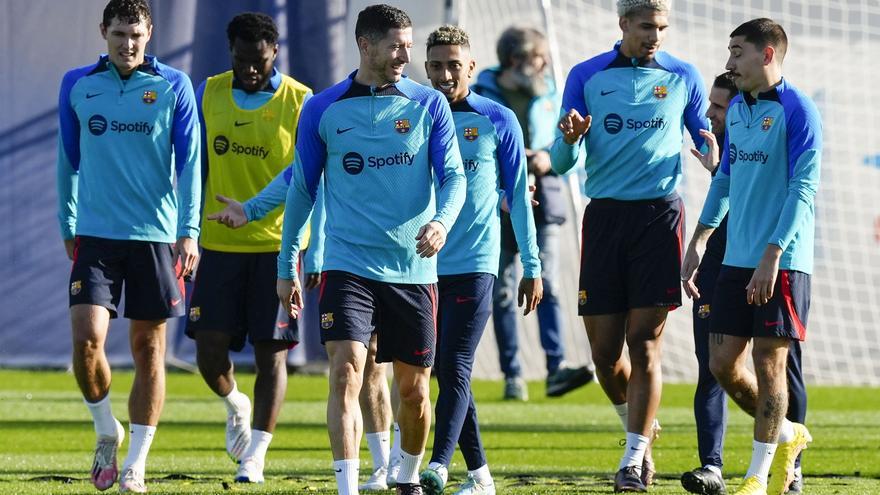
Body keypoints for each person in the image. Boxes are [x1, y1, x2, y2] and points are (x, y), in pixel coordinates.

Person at [274, 5, 466, 495]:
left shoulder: (429, 105)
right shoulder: (322, 108)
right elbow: (301, 190)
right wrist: (287, 263)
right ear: (366, 44)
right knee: (346, 372)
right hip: (347, 265)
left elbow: (454, 178)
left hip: (413, 268)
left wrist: (441, 222)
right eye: (397, 45)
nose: (407, 55)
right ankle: (348, 488)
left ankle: (404, 477)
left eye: (408, 44)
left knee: (414, 390)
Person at [550, 0, 709, 491]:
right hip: (604, 219)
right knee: (604, 355)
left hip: (659, 218)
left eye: (662, 27)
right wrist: (571, 139)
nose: (655, 35)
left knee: (644, 345)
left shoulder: (683, 75)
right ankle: (639, 426)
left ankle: (634, 460)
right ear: (623, 25)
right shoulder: (587, 75)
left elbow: (703, 138)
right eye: (646, 26)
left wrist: (710, 153)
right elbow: (559, 162)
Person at [56, 0, 200, 492]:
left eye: (136, 34)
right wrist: (67, 220)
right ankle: (105, 429)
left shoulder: (173, 85)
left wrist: (190, 230)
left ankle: (136, 462)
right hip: (95, 235)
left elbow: (191, 163)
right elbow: (67, 158)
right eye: (119, 34)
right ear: (104, 32)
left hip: (155, 239)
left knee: (148, 349)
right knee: (87, 341)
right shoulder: (78, 84)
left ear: (150, 32)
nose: (128, 43)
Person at [681, 18, 820, 495]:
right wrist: (700, 238)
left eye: (737, 52)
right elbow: (725, 180)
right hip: (737, 257)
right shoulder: (739, 108)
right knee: (721, 363)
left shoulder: (798, 109)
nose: (728, 63)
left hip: (781, 259)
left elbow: (803, 188)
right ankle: (786, 434)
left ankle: (757, 479)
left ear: (767, 55)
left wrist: (773, 253)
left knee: (769, 362)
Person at [184, 12, 312, 484]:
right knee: (208, 351)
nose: (250, 70)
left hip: (277, 248)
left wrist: (305, 249)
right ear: (230, 52)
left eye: (258, 61)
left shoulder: (300, 100)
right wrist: (189, 231)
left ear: (274, 52)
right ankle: (234, 402)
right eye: (241, 60)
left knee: (271, 354)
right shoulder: (209, 92)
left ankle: (255, 455)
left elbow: (305, 174)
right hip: (218, 244)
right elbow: (192, 166)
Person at [415, 26, 543, 495]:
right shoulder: (411, 115)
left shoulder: (497, 119)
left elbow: (519, 197)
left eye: (454, 64)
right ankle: (481, 477)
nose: (445, 74)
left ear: (472, 67)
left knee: (456, 365)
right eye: (436, 65)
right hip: (420, 266)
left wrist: (532, 264)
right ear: (425, 68)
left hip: (476, 261)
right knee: (440, 370)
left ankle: (438, 465)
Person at [471, 26, 593, 401]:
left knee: (549, 284)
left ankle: (555, 368)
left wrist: (547, 157)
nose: (544, 63)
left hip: (547, 198)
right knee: (504, 289)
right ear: (516, 59)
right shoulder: (480, 93)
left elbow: (578, 150)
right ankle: (513, 375)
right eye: (537, 57)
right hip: (498, 200)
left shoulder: (552, 93)